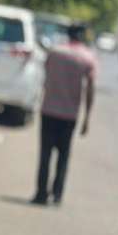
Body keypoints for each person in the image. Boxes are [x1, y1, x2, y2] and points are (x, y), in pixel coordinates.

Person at [32, 23, 97, 206]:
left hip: (49, 110)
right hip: (70, 115)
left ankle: (41, 193)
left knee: (45, 155)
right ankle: (57, 195)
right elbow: (90, 89)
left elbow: (45, 77)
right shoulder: (87, 58)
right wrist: (87, 118)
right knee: (63, 156)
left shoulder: (55, 52)